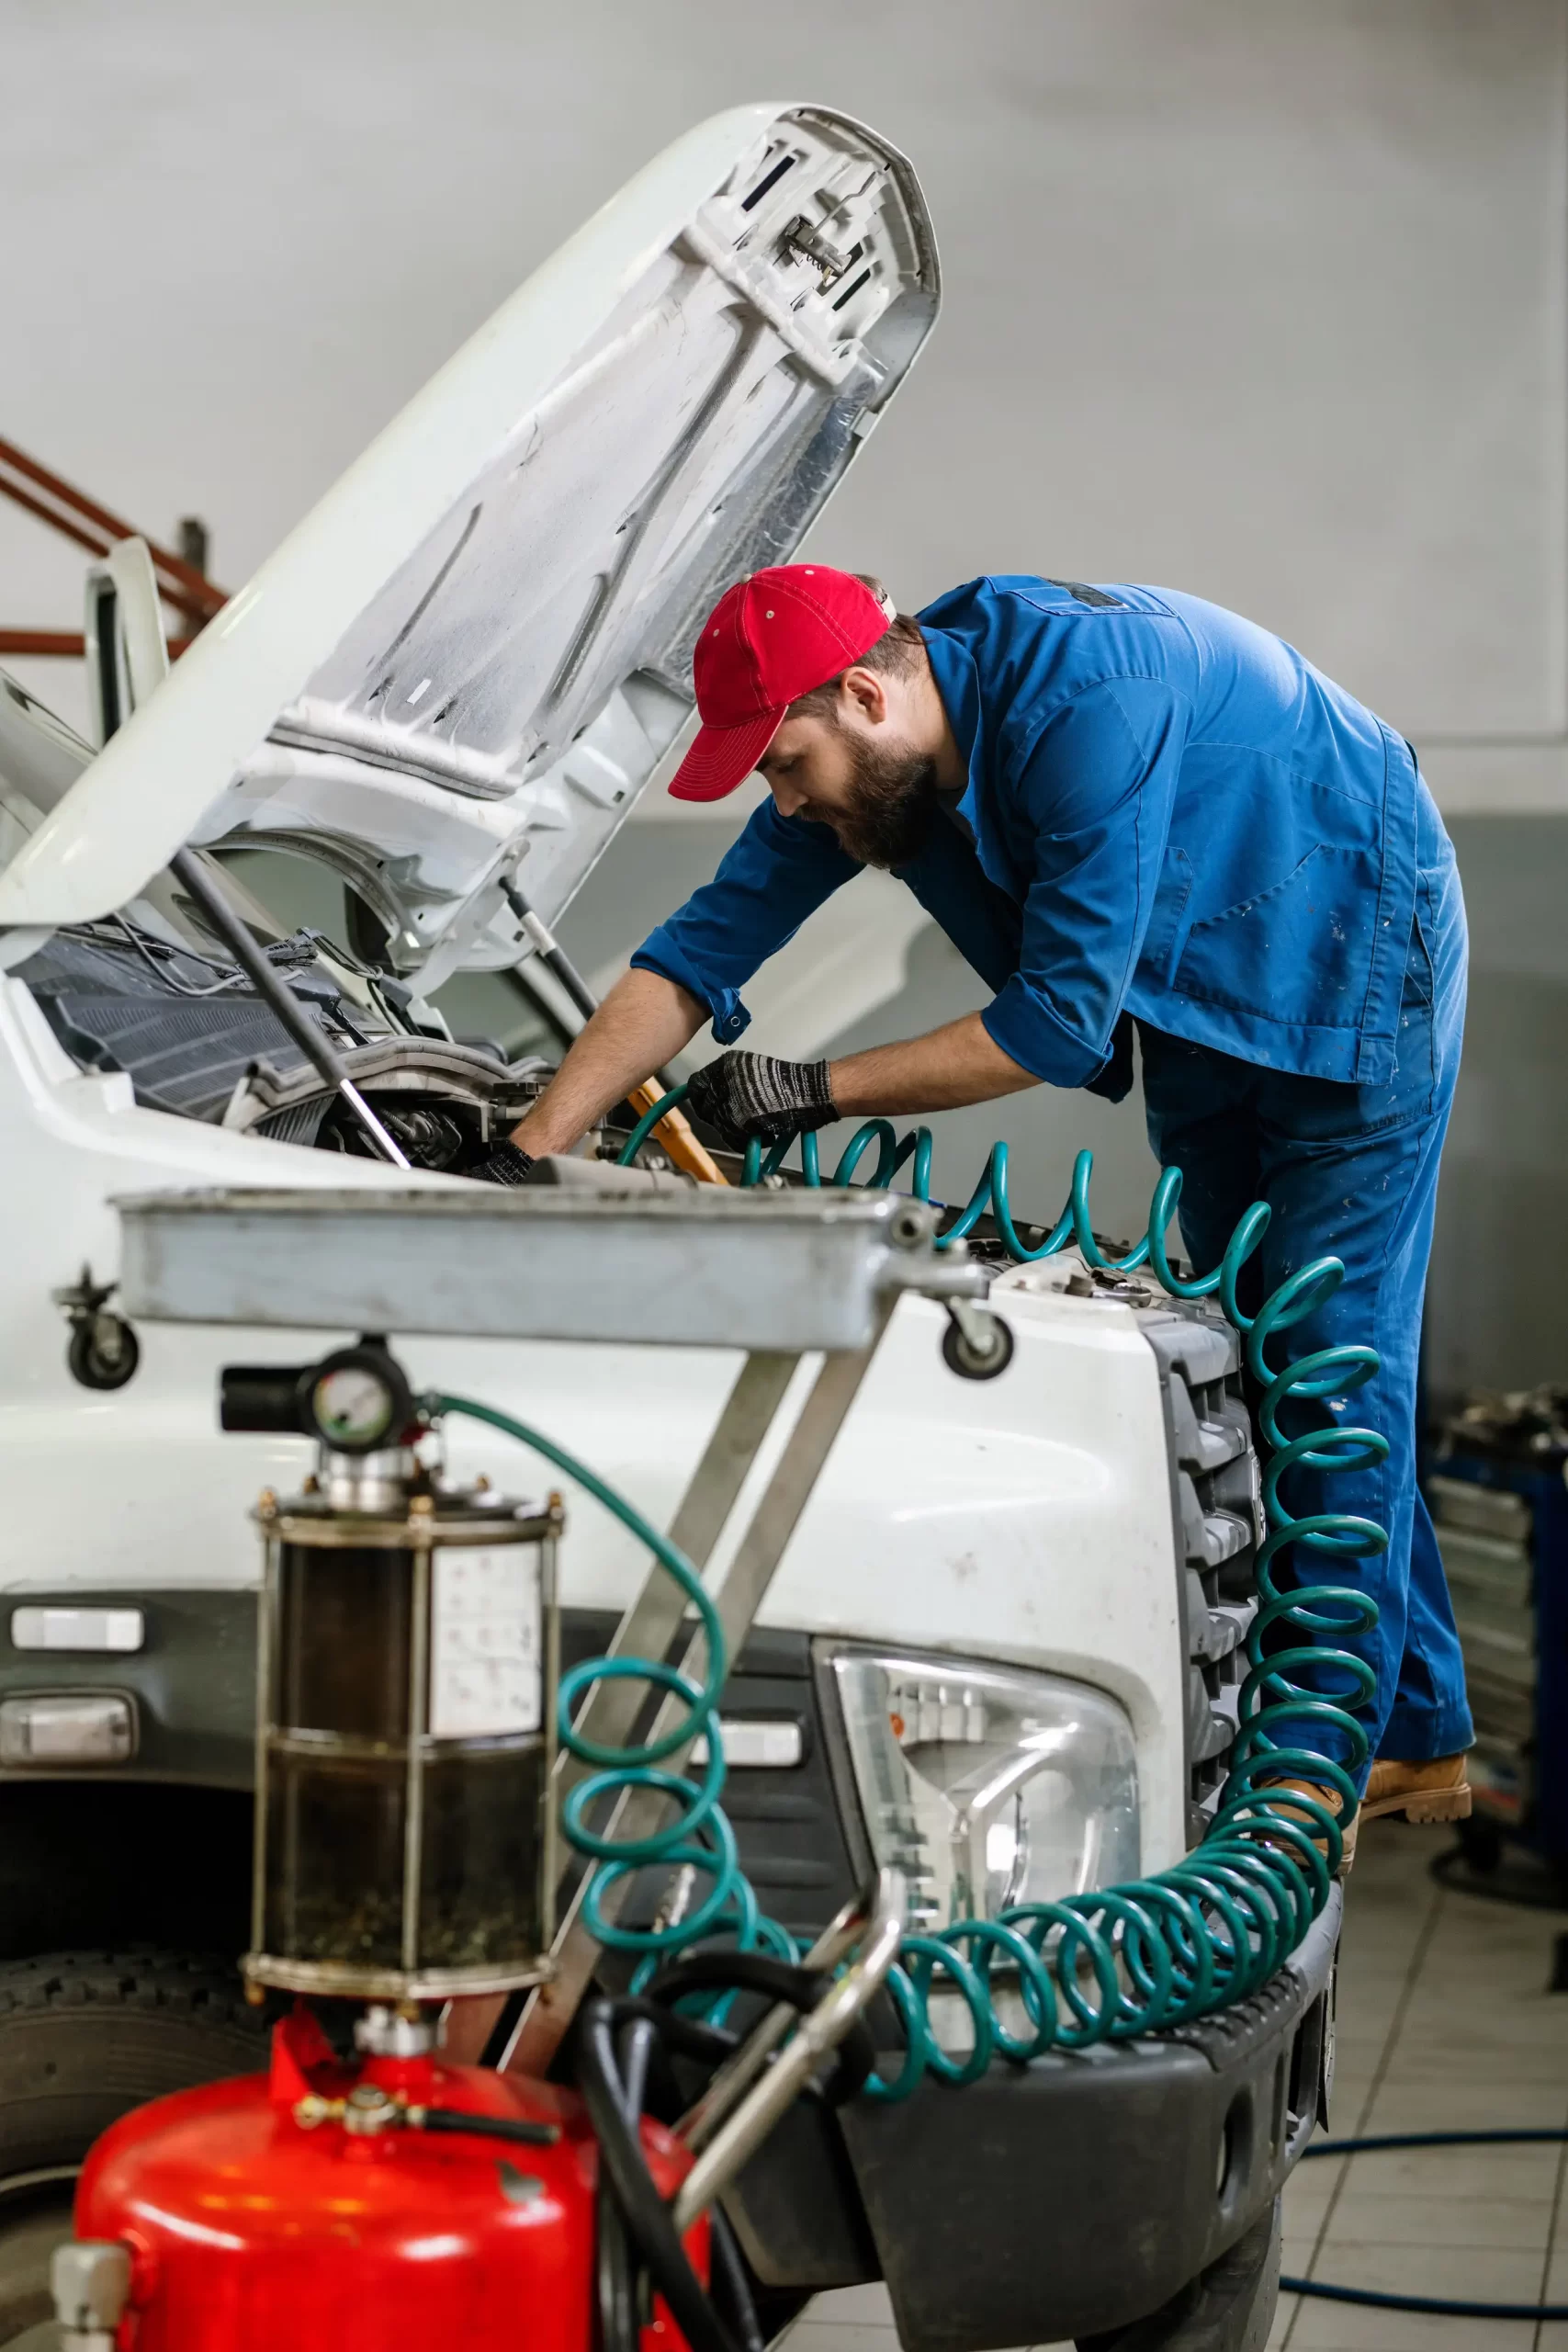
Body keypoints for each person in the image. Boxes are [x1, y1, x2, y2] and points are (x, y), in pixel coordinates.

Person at [479, 563, 1472, 1850]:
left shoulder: (1080, 709)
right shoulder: (861, 762)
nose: (783, 803)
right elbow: (692, 955)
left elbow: (1054, 1029)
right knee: (1265, 1344)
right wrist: (526, 1149)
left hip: (1353, 941)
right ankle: (1416, 1725)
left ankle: (1306, 1788)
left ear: (861, 694)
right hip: (1202, 991)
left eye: (784, 766)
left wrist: (807, 1087)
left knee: (1328, 1362)